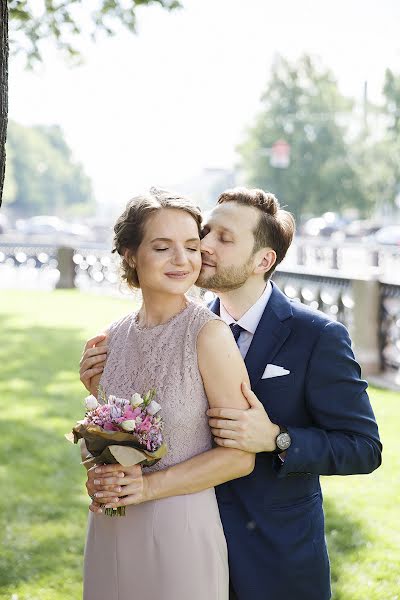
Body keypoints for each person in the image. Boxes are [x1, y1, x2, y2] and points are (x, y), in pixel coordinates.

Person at [81, 187, 382, 600]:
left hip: (270, 556)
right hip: (177, 536)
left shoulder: (317, 337)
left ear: (263, 260)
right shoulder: (181, 325)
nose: (202, 247)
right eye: (205, 232)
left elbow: (364, 447)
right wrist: (101, 390)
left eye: (223, 238)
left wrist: (279, 439)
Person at [80, 189, 255, 600]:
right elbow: (103, 438)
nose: (183, 259)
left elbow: (240, 456)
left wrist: (148, 489)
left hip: (181, 530)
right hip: (110, 527)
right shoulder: (112, 336)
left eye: (192, 246)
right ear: (130, 254)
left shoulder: (209, 336)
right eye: (163, 247)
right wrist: (96, 472)